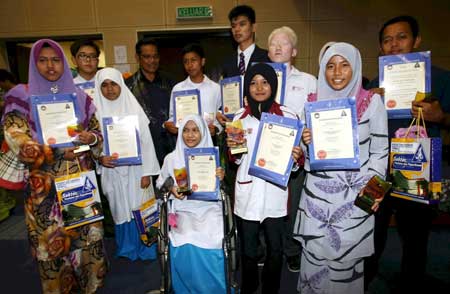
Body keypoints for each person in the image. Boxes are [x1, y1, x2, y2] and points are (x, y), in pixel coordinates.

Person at [2, 39, 107, 293]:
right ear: (34, 63)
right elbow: (17, 140)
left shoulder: (79, 97)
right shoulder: (21, 95)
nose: (50, 66)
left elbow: (97, 134)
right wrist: (59, 152)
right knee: (52, 250)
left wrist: (90, 139)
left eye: (56, 59)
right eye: (43, 60)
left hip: (79, 183)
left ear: (64, 63)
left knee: (88, 247)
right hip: (44, 191)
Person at [364, 15, 450, 292]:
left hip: (416, 168)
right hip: (377, 170)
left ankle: (411, 284)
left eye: (401, 37)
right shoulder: (376, 82)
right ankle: (362, 282)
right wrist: (367, 104)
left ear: (416, 41)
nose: (394, 44)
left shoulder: (439, 78)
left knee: (414, 237)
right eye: (387, 40)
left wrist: (442, 117)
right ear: (381, 47)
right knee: (368, 226)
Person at [294, 42, 388, 294]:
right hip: (317, 200)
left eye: (345, 65)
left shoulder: (372, 103)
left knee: (345, 269)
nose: (337, 72)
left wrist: (374, 193)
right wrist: (306, 144)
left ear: (355, 67)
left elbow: (381, 151)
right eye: (330, 66)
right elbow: (309, 161)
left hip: (353, 201)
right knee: (313, 265)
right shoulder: (312, 104)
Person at [227, 63, 302, 293]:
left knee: (275, 249)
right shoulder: (239, 117)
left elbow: (297, 164)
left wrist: (297, 157)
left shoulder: (288, 116)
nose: (259, 87)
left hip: (275, 193)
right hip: (247, 192)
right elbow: (234, 161)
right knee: (248, 250)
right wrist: (233, 149)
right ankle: (249, 287)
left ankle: (271, 289)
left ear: (273, 85)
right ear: (247, 88)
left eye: (265, 82)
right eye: (253, 82)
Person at [93, 67, 160, 260]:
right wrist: (99, 158)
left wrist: (147, 172)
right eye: (104, 85)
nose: (110, 89)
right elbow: (92, 144)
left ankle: (147, 248)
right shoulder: (95, 115)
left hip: (137, 170)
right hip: (112, 171)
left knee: (141, 206)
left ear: (121, 85)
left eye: (114, 84)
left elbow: (147, 143)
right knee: (119, 208)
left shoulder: (133, 109)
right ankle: (127, 248)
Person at [156, 114, 226, 293]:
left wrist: (221, 177)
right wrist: (171, 187)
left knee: (213, 234)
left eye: (195, 130)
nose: (190, 135)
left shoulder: (213, 156)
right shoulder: (172, 158)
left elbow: (222, 189)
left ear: (203, 132)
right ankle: (186, 288)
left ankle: (214, 288)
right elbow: (160, 182)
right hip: (182, 208)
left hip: (209, 206)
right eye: (186, 130)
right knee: (185, 235)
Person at [267, 26, 317, 272]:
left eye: (283, 43)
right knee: (266, 204)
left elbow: (315, 117)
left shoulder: (308, 81)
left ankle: (291, 249)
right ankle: (268, 248)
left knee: (293, 205)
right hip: (266, 155)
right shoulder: (258, 80)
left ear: (294, 51)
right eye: (273, 43)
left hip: (296, 155)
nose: (277, 47)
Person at [126, 38, 176, 166]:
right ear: (137, 58)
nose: (152, 61)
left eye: (155, 56)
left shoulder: (171, 82)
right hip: (143, 150)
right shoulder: (128, 86)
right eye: (147, 57)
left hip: (171, 148)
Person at [164, 43, 222, 136]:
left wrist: (216, 129)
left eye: (193, 60)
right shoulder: (178, 89)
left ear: (202, 61)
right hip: (185, 142)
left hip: (208, 142)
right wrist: (168, 125)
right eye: (186, 61)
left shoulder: (216, 88)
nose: (189, 65)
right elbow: (173, 117)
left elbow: (221, 118)